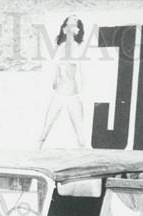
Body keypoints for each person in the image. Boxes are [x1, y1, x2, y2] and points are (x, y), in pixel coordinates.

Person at [38, 14, 86, 149]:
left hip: (73, 95)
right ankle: (37, 148)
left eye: (74, 25)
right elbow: (55, 69)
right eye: (68, 25)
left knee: (80, 132)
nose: (71, 28)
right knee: (46, 126)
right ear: (64, 29)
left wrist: (82, 94)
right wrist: (55, 80)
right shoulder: (60, 47)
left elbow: (81, 73)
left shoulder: (79, 48)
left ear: (78, 30)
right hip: (59, 93)